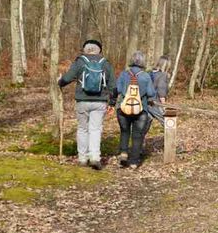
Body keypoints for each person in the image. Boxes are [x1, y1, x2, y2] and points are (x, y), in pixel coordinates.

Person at [58, 39, 116, 169]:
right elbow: (113, 85)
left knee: (82, 129)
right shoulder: (105, 63)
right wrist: (112, 102)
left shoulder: (80, 62)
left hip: (82, 101)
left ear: (85, 49)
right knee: (95, 129)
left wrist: (60, 82)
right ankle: (95, 157)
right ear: (99, 50)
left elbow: (67, 78)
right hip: (100, 102)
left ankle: (82, 158)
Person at [115, 51, 158, 168]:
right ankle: (134, 162)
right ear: (143, 62)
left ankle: (123, 153)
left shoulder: (124, 74)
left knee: (124, 131)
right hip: (141, 110)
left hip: (123, 108)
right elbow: (151, 93)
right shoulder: (145, 76)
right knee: (137, 135)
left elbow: (118, 89)